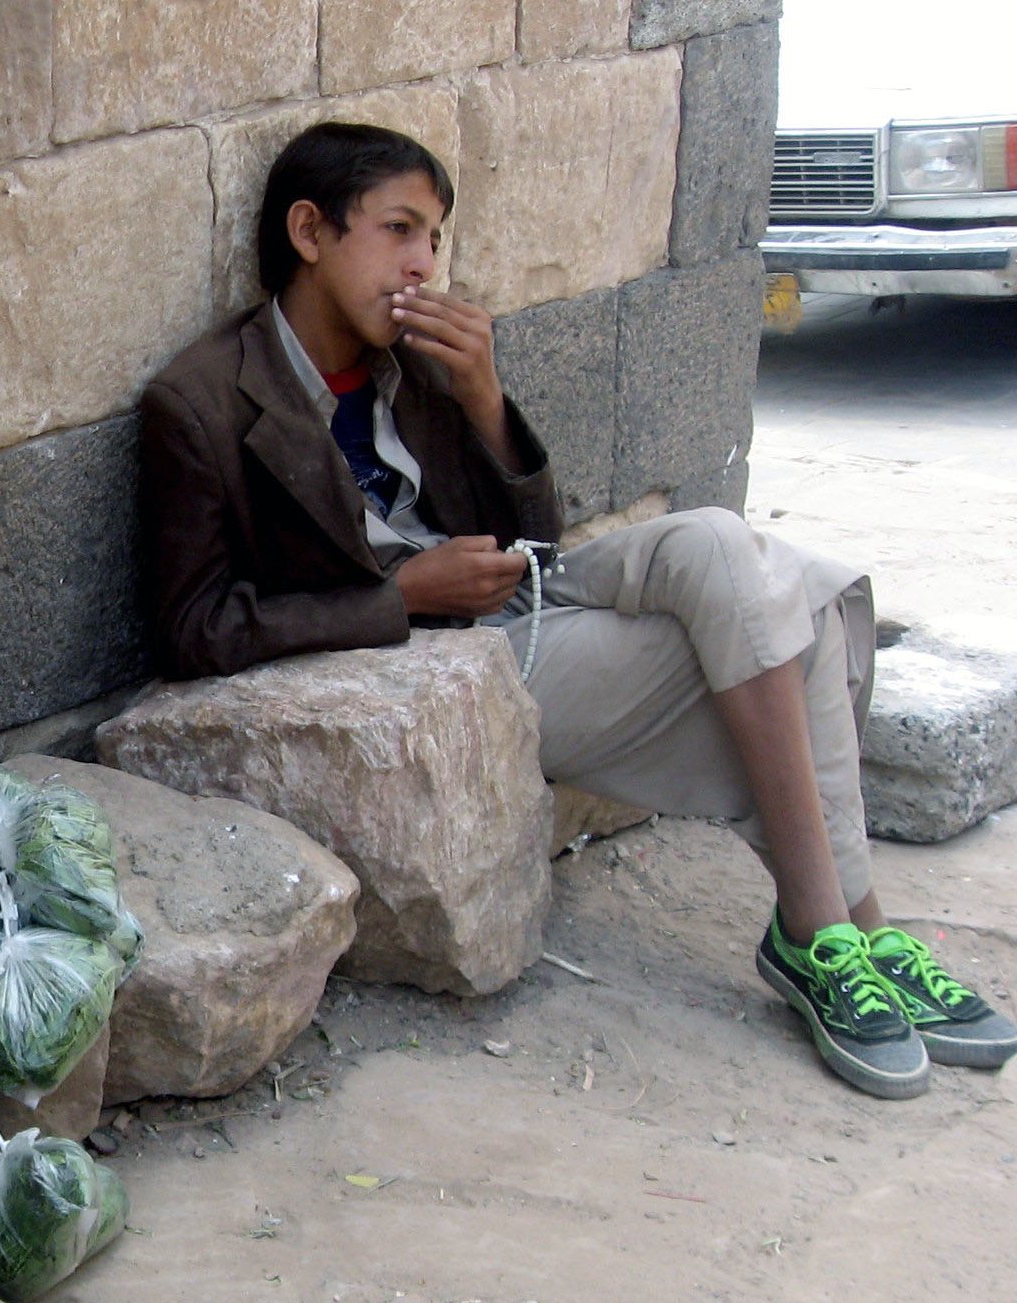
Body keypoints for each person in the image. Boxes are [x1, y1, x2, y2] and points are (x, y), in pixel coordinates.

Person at [137, 121, 1017, 1099]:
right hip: (425, 650)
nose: (424, 263)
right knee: (798, 625)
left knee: (726, 548)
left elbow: (536, 541)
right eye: (399, 229)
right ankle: (844, 930)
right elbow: (191, 625)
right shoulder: (202, 401)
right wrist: (399, 596)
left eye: (434, 238)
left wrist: (482, 397)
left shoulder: (415, 358)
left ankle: (827, 932)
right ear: (309, 231)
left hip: (515, 606)